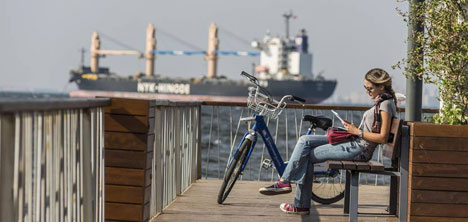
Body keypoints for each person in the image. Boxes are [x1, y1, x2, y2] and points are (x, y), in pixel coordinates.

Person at [258, 68, 398, 215]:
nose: (367, 91)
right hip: (356, 142)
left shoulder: (385, 104)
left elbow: (382, 137)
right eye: (365, 88)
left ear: (381, 87)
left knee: (307, 155)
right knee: (304, 140)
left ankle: (298, 200)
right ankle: (287, 184)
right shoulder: (382, 102)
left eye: (370, 88)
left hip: (359, 149)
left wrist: (357, 131)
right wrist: (354, 129)